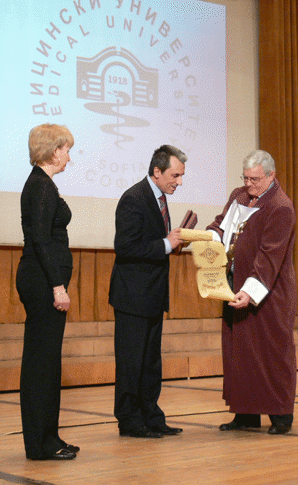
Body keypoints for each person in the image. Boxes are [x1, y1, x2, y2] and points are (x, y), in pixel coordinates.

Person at [206, 149, 297, 435]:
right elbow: (222, 225)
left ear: (271, 176)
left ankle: (281, 415)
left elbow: (270, 256)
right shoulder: (239, 195)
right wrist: (207, 237)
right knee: (239, 351)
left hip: (268, 292)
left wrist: (250, 291)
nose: (249, 185)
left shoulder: (281, 207)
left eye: (255, 179)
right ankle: (245, 415)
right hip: (234, 284)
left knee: (271, 352)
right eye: (245, 178)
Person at [109, 145, 186, 438]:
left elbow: (153, 244)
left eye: (180, 176)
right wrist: (166, 244)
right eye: (174, 175)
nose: (178, 182)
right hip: (133, 297)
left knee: (151, 362)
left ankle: (151, 416)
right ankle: (130, 420)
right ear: (156, 171)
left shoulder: (159, 198)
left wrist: (174, 243)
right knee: (131, 362)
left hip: (152, 295)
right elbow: (125, 247)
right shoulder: (134, 198)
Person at [15, 124, 79, 460]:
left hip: (45, 280)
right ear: (54, 151)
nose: (69, 155)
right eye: (67, 148)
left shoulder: (44, 184)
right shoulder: (40, 186)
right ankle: (39, 444)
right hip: (42, 283)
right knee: (41, 363)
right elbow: (40, 241)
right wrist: (57, 286)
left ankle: (49, 436)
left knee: (49, 362)